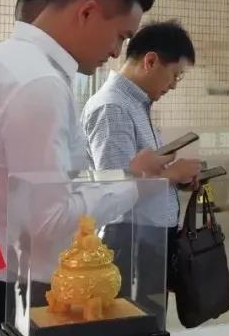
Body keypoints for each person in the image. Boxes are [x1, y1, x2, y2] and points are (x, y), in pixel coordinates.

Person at [0, 0, 169, 336]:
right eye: (121, 36)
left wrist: (121, 175)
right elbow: (48, 220)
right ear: (87, 12)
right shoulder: (40, 84)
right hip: (19, 290)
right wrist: (133, 185)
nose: (116, 52)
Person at [81, 20, 201, 303]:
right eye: (175, 75)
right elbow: (116, 188)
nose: (174, 85)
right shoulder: (113, 107)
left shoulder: (136, 104)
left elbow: (141, 173)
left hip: (148, 240)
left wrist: (175, 179)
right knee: (133, 321)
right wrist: (172, 175)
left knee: (150, 319)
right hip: (129, 240)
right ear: (150, 61)